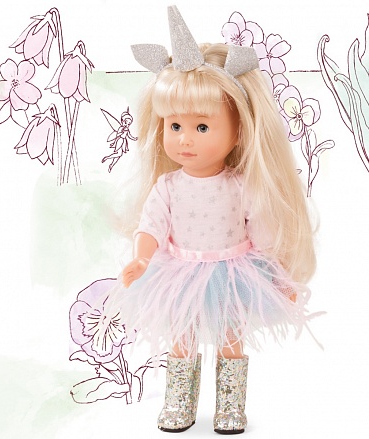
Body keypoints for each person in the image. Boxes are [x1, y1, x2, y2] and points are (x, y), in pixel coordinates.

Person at [102, 5, 320, 435]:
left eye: (202, 128)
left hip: (233, 271)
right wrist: (142, 259)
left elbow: (261, 231)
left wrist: (278, 274)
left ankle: (230, 407)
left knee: (230, 337)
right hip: (180, 271)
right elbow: (151, 226)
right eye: (175, 126)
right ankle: (179, 404)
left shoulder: (240, 186)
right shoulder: (168, 186)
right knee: (181, 338)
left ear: (238, 131)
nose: (184, 139)